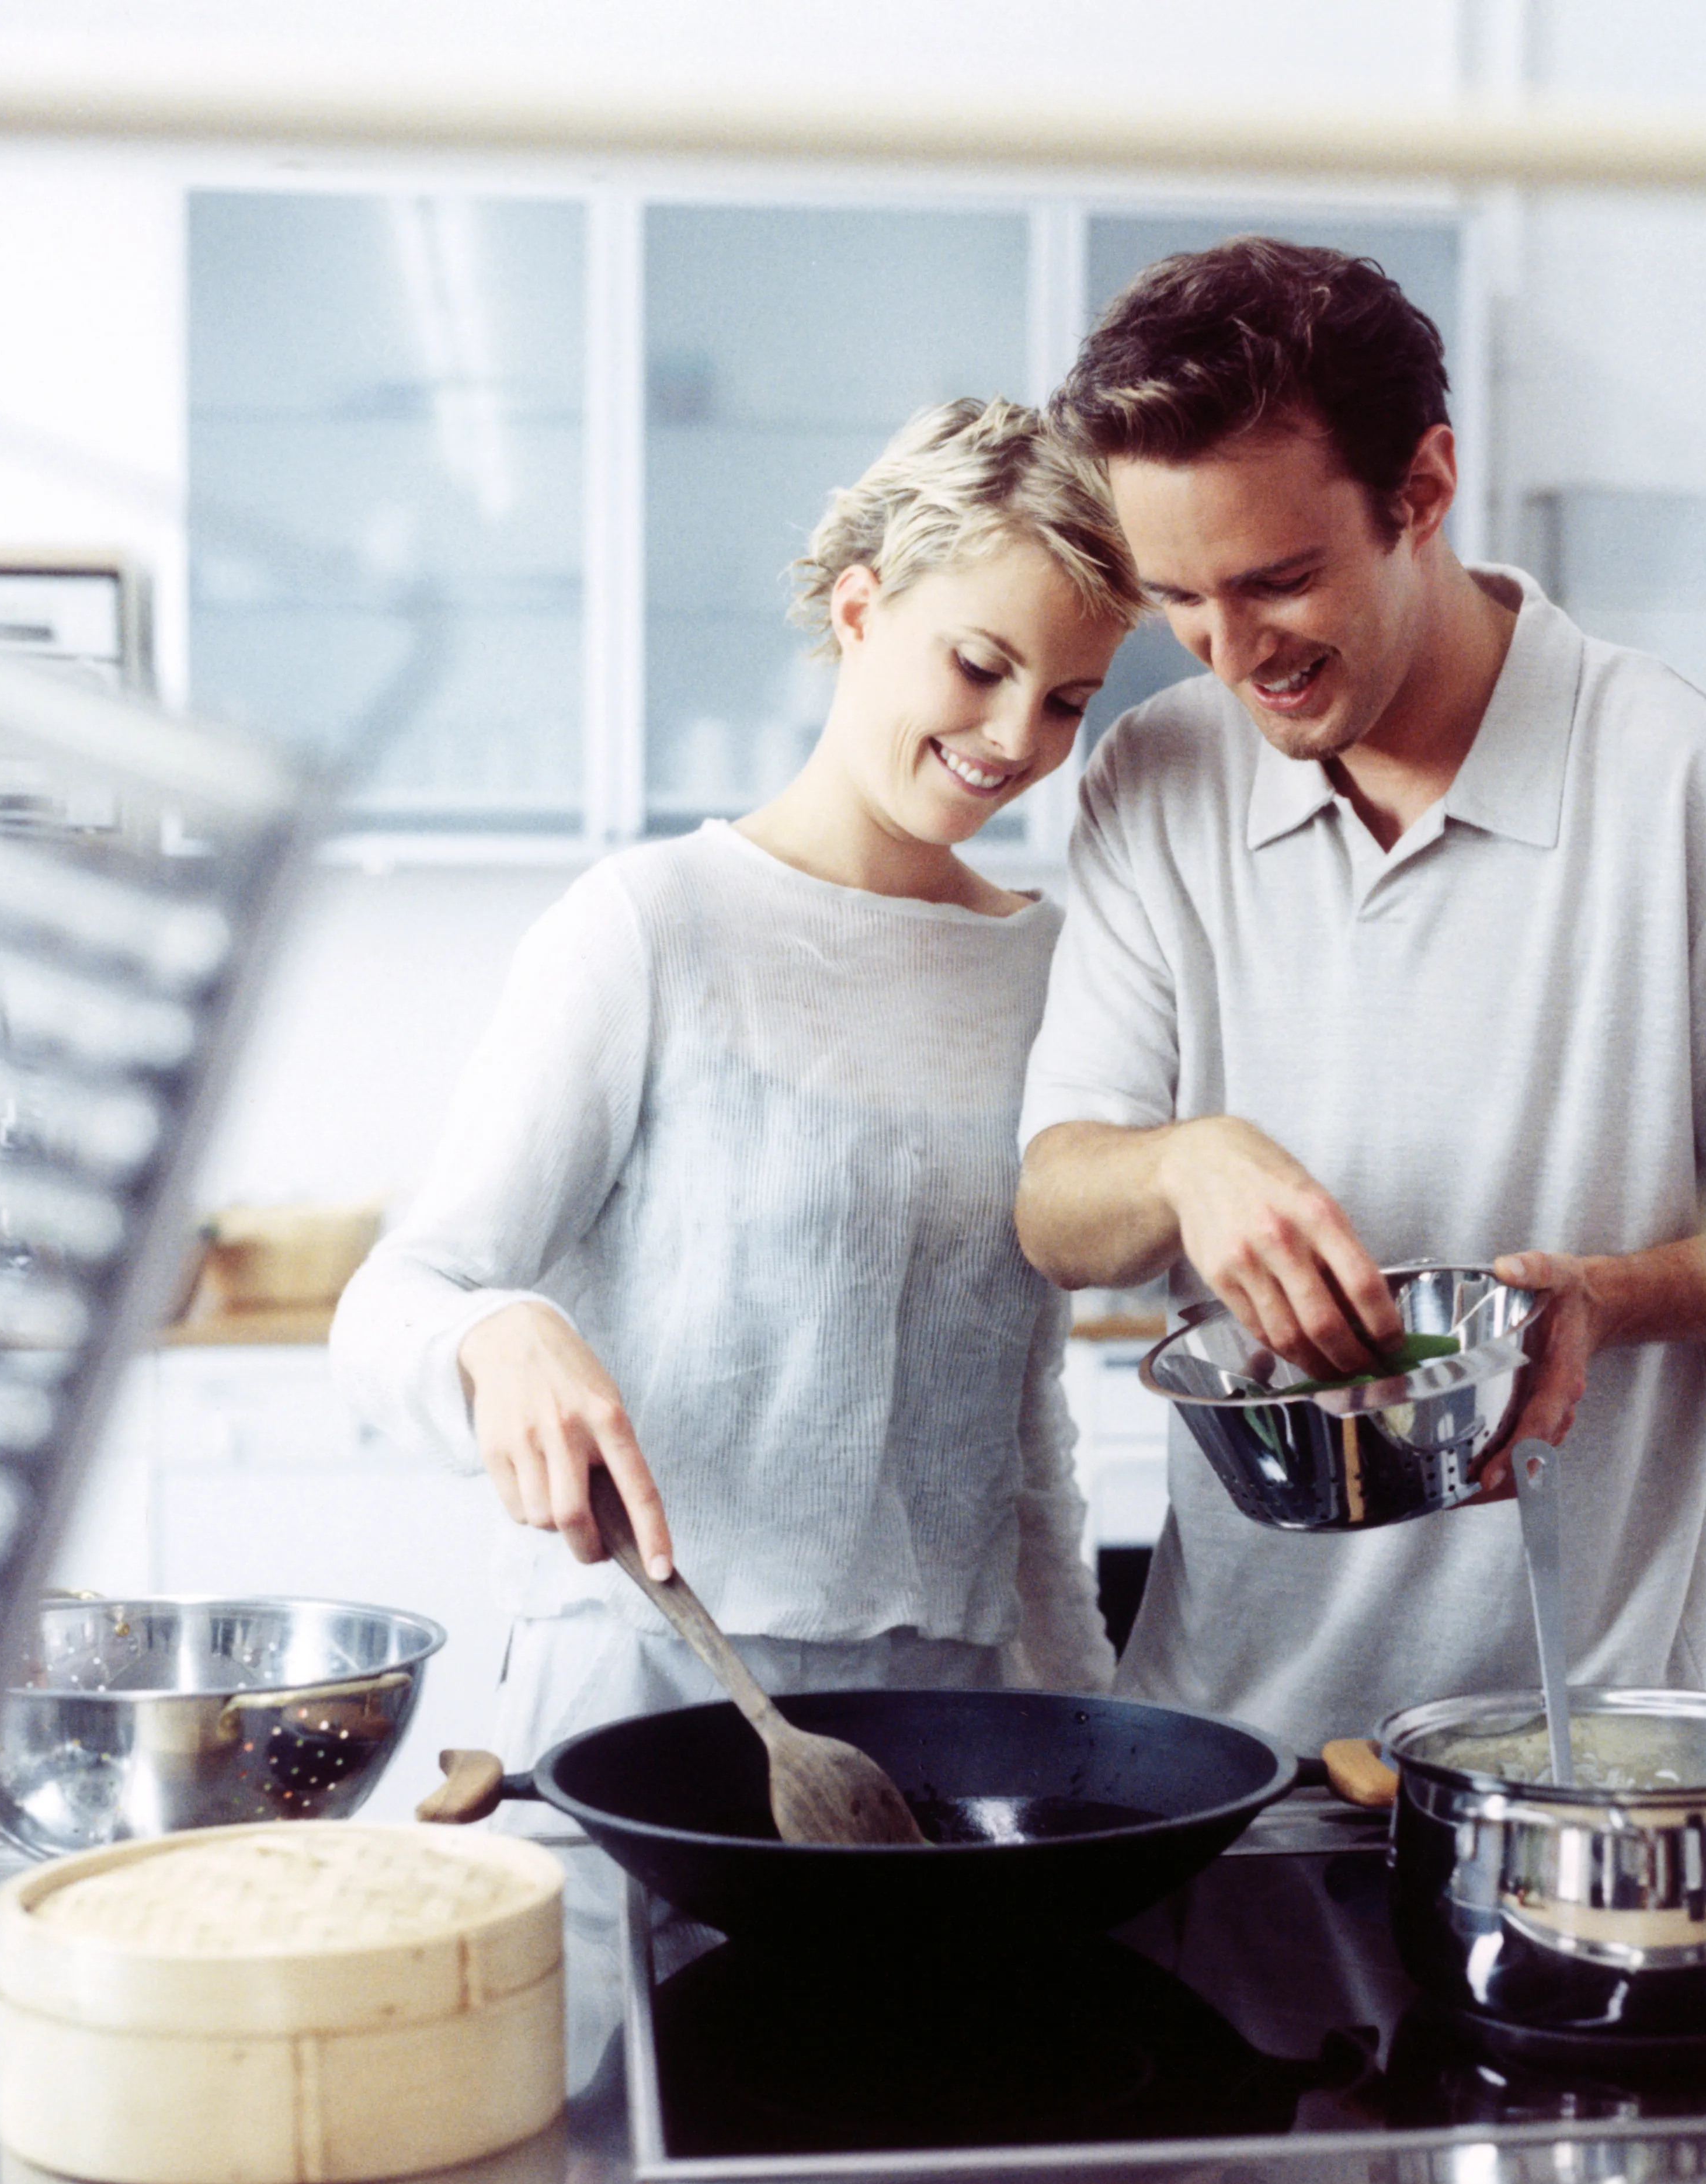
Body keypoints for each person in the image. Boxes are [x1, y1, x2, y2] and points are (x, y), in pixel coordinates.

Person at [1014, 238, 1706, 1754]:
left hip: (1559, 1754)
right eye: (1178, 598)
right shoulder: (1155, 779)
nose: (1231, 650)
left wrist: (1602, 1295)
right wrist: (1180, 1160)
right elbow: (1056, 1212)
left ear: (1421, 488)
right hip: (1218, 1754)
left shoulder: (1687, 793)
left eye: (1277, 580)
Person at [332, 397, 1137, 1762]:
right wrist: (490, 1334)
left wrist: (1094, 1731)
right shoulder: (651, 924)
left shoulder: (1048, 973)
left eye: (1067, 699)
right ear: (861, 607)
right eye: (981, 664)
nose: (1017, 739)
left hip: (955, 1713)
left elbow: (1029, 1439)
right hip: (645, 1689)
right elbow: (394, 1302)